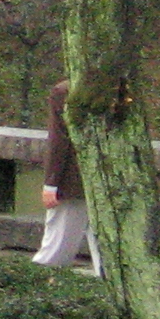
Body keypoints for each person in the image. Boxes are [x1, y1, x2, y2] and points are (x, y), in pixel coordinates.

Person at [34, 77, 98, 273]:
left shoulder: (65, 91)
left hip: (73, 181)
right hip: (109, 182)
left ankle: (42, 284)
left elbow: (58, 139)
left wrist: (51, 184)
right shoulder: (118, 89)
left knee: (55, 247)